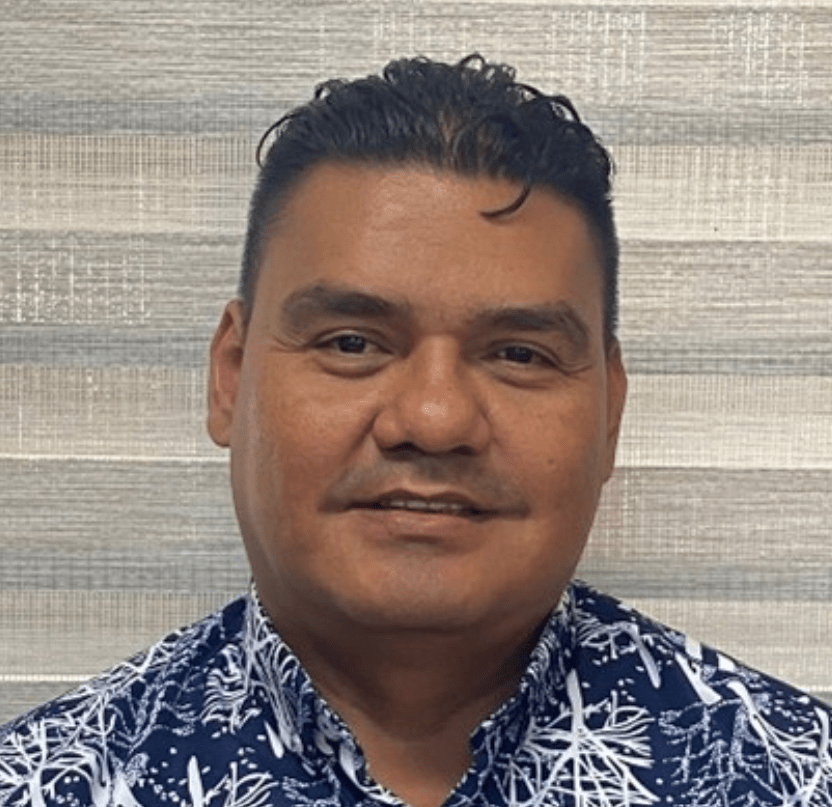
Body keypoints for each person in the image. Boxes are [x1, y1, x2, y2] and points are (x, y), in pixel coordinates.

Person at [1, 54, 830, 807]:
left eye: (519, 353)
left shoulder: (793, 775)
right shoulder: (45, 782)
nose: (434, 420)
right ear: (231, 375)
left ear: (610, 411)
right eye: (351, 343)